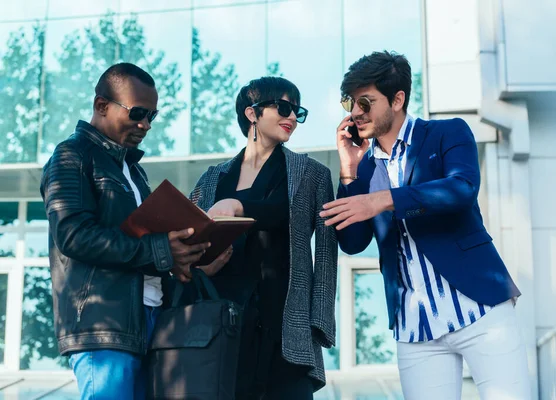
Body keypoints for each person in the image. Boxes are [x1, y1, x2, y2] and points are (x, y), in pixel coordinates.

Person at [320, 51, 531, 400]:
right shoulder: (365, 168)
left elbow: (461, 189)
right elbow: (353, 242)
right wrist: (349, 169)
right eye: (350, 102)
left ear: (398, 99)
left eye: (365, 102)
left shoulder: (446, 133)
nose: (355, 112)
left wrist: (382, 199)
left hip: (479, 309)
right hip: (416, 328)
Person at [40, 62, 224, 400]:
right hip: (104, 325)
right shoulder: (71, 156)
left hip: (150, 319)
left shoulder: (133, 172)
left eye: (152, 116)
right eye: (137, 112)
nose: (145, 124)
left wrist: (183, 258)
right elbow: (74, 235)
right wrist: (160, 250)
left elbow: (142, 243)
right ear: (101, 106)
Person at [189, 76, 338, 399]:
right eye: (283, 107)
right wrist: (198, 271)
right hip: (222, 328)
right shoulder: (213, 179)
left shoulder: (312, 174)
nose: (291, 118)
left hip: (286, 331)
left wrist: (319, 323)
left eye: (297, 112)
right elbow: (186, 243)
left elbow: (326, 252)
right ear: (251, 113)